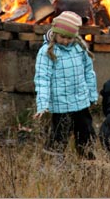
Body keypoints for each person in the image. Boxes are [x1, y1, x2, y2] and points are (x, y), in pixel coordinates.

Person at [33, 11, 98, 158]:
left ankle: (88, 161)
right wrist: (42, 104)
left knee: (86, 133)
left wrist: (92, 95)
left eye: (70, 38)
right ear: (55, 33)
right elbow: (42, 78)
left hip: (81, 102)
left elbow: (89, 72)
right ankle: (54, 164)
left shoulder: (79, 47)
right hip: (61, 104)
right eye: (63, 37)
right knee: (59, 135)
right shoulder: (47, 52)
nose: (66, 41)